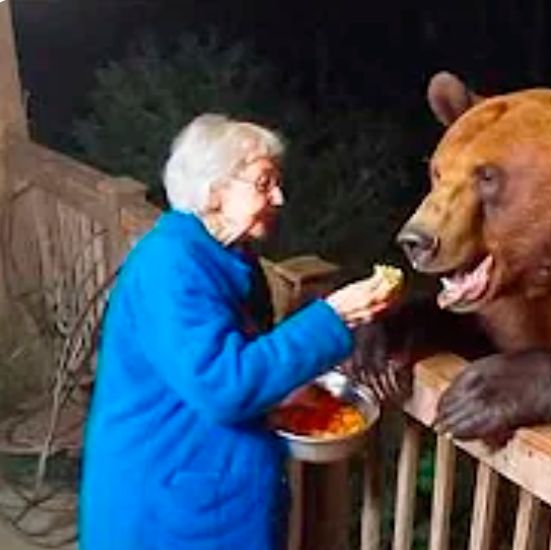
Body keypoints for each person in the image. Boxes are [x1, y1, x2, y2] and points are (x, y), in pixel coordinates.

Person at [79, 114, 392, 549]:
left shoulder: (229, 255)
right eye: (264, 183)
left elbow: (239, 354)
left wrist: (287, 390)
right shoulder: (170, 267)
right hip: (169, 504)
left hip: (209, 486)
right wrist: (332, 319)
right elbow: (224, 385)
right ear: (214, 190)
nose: (279, 197)